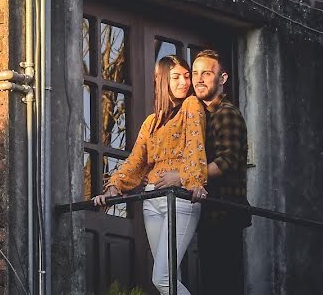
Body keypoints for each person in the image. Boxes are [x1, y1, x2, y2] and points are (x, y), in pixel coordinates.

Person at [92, 54, 208, 295]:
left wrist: (191, 180)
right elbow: (136, 160)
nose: (184, 83)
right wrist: (114, 186)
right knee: (169, 280)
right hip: (151, 202)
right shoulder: (151, 122)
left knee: (162, 278)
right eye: (176, 77)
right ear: (162, 81)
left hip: (181, 198)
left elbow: (196, 147)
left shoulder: (191, 106)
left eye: (186, 77)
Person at [190, 49, 249, 295]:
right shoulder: (201, 116)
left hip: (225, 215)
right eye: (195, 73)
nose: (199, 79)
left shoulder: (226, 113)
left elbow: (226, 161)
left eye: (207, 73)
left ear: (222, 78)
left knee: (224, 285)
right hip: (209, 216)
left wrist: (185, 178)